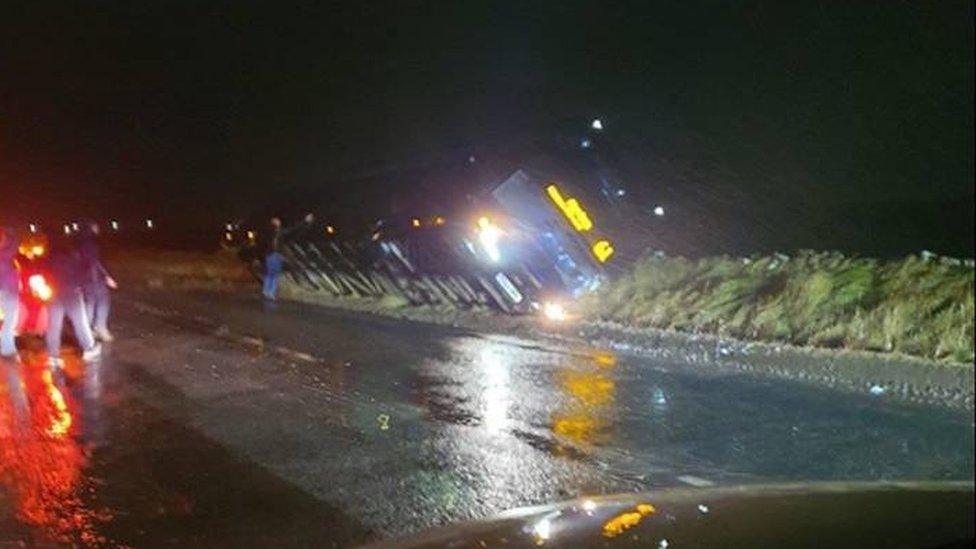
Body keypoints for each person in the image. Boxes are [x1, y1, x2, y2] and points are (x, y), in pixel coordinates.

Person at [46, 239, 101, 368]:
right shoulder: (73, 259)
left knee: (53, 326)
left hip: (53, 295)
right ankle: (89, 349)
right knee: (80, 323)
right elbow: (83, 275)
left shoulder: (48, 260)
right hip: (72, 294)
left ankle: (53, 357)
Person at [78, 221, 117, 341]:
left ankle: (88, 330)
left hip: (84, 278)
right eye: (95, 226)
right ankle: (100, 327)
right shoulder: (92, 243)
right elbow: (96, 262)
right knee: (103, 302)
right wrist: (107, 277)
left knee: (90, 303)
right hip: (95, 277)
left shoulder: (79, 242)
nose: (98, 228)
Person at [262, 213, 314, 300]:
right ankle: (270, 292)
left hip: (270, 254)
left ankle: (266, 291)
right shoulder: (277, 231)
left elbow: (290, 231)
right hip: (274, 254)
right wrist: (304, 221)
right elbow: (292, 229)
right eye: (276, 220)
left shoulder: (271, 231)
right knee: (274, 274)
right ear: (273, 222)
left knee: (270, 273)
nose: (279, 222)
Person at [0, 227, 20, 360]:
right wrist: (11, 234)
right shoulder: (5, 255)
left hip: (5, 291)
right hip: (8, 292)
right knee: (9, 321)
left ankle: (7, 348)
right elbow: (14, 245)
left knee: (8, 322)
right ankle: (7, 350)